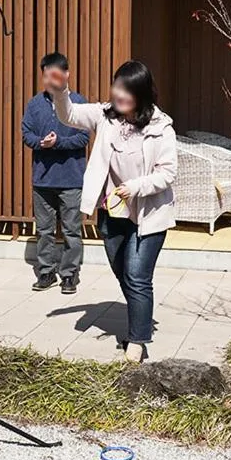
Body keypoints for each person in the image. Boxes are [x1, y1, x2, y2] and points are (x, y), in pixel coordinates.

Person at [48, 60, 177, 363]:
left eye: (127, 90)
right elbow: (69, 115)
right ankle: (138, 320)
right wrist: (61, 91)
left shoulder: (161, 127)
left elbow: (168, 173)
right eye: (117, 86)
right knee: (123, 273)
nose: (119, 94)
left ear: (142, 94)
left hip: (149, 215)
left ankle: (138, 341)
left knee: (137, 275)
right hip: (114, 211)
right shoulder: (106, 116)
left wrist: (137, 186)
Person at [22, 52, 90, 294]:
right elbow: (26, 134)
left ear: (66, 75)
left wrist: (59, 141)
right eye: (46, 76)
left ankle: (70, 274)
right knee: (44, 231)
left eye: (55, 75)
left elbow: (83, 136)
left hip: (71, 178)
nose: (50, 80)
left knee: (72, 230)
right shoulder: (34, 104)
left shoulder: (79, 102)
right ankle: (46, 271)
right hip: (42, 179)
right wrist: (41, 143)